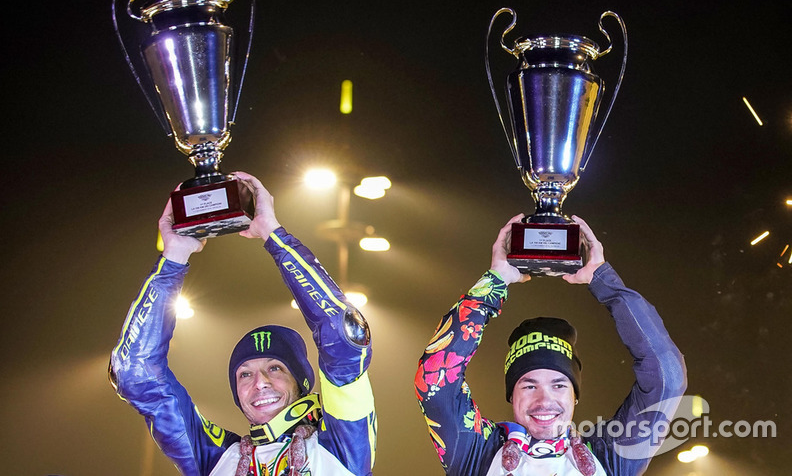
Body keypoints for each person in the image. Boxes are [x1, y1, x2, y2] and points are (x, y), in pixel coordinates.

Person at [109, 172, 377, 476]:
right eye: (244, 374)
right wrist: (174, 256)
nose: (259, 383)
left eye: (275, 368)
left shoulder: (342, 444)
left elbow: (344, 336)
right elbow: (134, 371)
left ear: (301, 382)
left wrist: (273, 234)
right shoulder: (214, 457)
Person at [415, 214, 687, 476]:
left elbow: (667, 376)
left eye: (558, 384)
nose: (544, 401)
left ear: (575, 394)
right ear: (512, 394)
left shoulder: (610, 456)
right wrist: (495, 281)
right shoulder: (476, 452)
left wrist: (603, 280)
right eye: (529, 385)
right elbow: (435, 379)